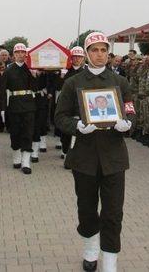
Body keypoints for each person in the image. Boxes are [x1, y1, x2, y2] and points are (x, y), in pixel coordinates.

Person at [55, 32, 133, 272]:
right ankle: (90, 250)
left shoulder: (120, 82)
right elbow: (60, 117)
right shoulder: (73, 83)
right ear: (87, 54)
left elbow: (130, 111)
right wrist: (77, 126)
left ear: (108, 53)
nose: (100, 54)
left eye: (103, 50)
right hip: (85, 159)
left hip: (113, 159)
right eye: (95, 50)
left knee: (113, 213)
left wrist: (127, 124)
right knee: (87, 209)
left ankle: (110, 261)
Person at [0, 43, 36, 174]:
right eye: (18, 52)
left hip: (28, 105)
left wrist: (34, 75)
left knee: (28, 132)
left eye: (23, 52)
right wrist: (2, 108)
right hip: (14, 105)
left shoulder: (30, 69)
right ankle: (16, 157)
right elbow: (2, 91)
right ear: (13, 55)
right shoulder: (8, 70)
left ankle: (26, 162)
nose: (21, 55)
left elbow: (36, 88)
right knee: (15, 132)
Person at [58, 47, 86, 161]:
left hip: (80, 104)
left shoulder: (86, 72)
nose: (77, 59)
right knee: (66, 130)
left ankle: (75, 154)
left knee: (80, 130)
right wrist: (61, 77)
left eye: (79, 57)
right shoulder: (65, 71)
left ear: (83, 58)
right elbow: (57, 87)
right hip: (66, 104)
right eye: (75, 56)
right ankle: (65, 150)